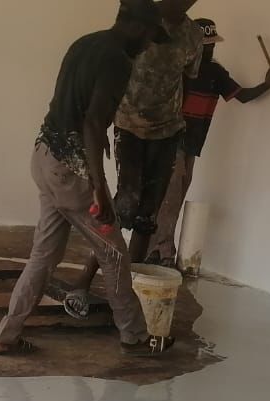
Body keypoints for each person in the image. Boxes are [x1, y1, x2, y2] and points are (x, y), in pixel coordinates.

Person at [0, 0, 174, 357]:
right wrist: (100, 190)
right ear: (138, 27)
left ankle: (5, 337)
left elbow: (75, 107)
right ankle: (135, 336)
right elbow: (91, 122)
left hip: (44, 157)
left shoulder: (85, 43)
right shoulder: (117, 60)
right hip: (70, 173)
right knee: (114, 255)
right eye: (150, 37)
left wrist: (97, 136)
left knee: (43, 256)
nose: (148, 46)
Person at [65, 0, 203, 317]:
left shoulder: (193, 35)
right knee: (124, 205)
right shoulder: (144, 21)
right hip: (129, 127)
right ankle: (84, 281)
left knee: (147, 217)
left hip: (167, 132)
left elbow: (187, 78)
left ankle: (126, 296)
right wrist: (100, 121)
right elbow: (113, 68)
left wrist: (178, 119)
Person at [146, 18, 270, 266]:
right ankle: (162, 251)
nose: (210, 49)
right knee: (170, 197)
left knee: (175, 195)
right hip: (170, 141)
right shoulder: (177, 70)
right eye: (206, 45)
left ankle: (156, 248)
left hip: (192, 144)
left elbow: (242, 96)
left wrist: (267, 85)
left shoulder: (215, 73)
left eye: (211, 45)